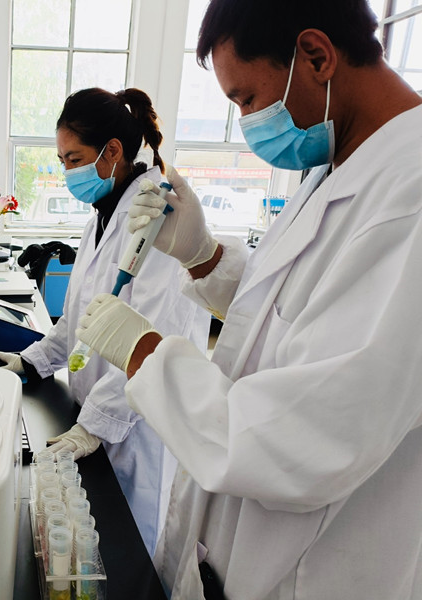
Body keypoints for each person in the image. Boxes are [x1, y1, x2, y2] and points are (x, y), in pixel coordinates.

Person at [74, 1, 422, 598]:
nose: (247, 124)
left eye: (247, 99)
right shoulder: (334, 168)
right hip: (234, 549)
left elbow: (307, 438)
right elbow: (289, 313)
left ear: (316, 56)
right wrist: (202, 255)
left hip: (308, 572)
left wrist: (144, 352)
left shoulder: (409, 198)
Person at [0, 87, 210, 554]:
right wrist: (30, 362)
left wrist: (95, 425)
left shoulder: (157, 217)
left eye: (74, 159)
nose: (67, 172)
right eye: (62, 161)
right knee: (96, 541)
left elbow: (153, 343)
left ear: (112, 152)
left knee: (130, 549)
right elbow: (77, 318)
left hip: (136, 424)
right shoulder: (102, 215)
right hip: (95, 409)